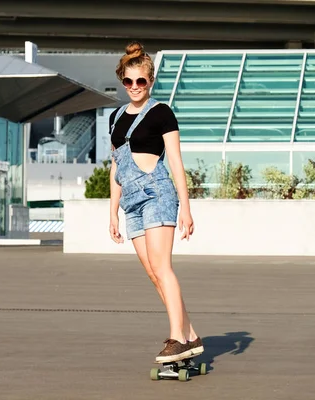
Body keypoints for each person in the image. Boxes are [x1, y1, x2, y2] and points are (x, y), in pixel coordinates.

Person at [108, 41, 204, 364]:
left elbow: (176, 162)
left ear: (150, 82)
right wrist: (112, 212)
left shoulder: (161, 112)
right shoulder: (115, 117)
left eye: (141, 81)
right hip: (131, 203)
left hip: (157, 194)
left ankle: (177, 338)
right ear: (123, 80)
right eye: (128, 81)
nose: (134, 87)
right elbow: (116, 167)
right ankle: (190, 335)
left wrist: (186, 209)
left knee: (163, 268)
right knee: (153, 273)